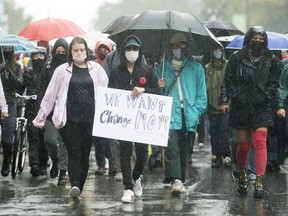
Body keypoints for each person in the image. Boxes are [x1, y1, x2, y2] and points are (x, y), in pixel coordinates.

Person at [33, 36, 108, 201]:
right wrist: (41, 117)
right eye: (75, 50)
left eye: (82, 50)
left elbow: (106, 93)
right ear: (70, 52)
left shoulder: (97, 70)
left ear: (86, 51)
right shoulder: (62, 70)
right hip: (69, 120)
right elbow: (50, 95)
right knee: (74, 151)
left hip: (90, 120)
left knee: (85, 153)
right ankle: (74, 183)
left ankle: (79, 188)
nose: (79, 53)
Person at [219, 26, 280, 198]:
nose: (258, 42)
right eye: (255, 38)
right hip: (241, 106)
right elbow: (228, 81)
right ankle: (242, 171)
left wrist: (266, 96)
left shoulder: (272, 60)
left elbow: (275, 83)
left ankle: (259, 179)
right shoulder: (237, 58)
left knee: (260, 140)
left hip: (262, 106)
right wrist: (226, 99)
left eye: (261, 39)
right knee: (244, 145)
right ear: (249, 39)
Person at [108, 35, 159, 203]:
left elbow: (156, 93)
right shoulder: (116, 71)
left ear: (140, 51)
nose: (132, 52)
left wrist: (143, 89)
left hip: (141, 120)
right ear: (123, 51)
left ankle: (137, 177)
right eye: (129, 49)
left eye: (135, 49)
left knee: (142, 153)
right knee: (125, 152)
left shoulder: (147, 70)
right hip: (124, 120)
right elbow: (111, 94)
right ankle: (127, 188)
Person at [155, 33, 207, 194]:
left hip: (189, 113)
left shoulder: (196, 68)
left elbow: (202, 94)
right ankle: (175, 179)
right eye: (176, 45)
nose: (180, 48)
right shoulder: (162, 68)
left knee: (185, 148)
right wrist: (159, 85)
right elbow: (156, 95)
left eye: (183, 45)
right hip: (170, 112)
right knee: (171, 146)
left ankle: (180, 178)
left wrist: (197, 111)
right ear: (170, 47)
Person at [40, 38, 69, 184]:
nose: (61, 54)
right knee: (50, 140)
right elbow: (43, 89)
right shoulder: (47, 68)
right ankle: (55, 160)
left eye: (64, 52)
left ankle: (63, 171)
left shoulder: (71, 68)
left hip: (66, 110)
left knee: (64, 142)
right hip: (51, 111)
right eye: (58, 52)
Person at [23, 46, 49, 177]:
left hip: (45, 108)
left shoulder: (48, 71)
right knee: (33, 137)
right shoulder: (28, 71)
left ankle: (44, 163)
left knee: (44, 137)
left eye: (41, 55)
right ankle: (34, 163)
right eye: (36, 55)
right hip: (32, 108)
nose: (38, 58)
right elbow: (21, 85)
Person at [93, 39, 118, 176]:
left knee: (110, 136)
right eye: (101, 49)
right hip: (96, 103)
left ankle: (113, 162)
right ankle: (101, 164)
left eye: (106, 49)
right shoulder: (92, 65)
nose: (103, 51)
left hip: (109, 103)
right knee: (98, 138)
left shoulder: (112, 63)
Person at [205, 46, 231, 168]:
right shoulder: (207, 68)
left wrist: (227, 102)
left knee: (224, 130)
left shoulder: (228, 66)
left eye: (219, 50)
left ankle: (226, 154)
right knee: (214, 131)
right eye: (215, 50)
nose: (217, 53)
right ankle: (216, 154)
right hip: (211, 105)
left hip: (226, 105)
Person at [0, 46, 25, 177]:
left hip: (10, 103)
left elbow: (20, 84)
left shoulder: (17, 67)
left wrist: (8, 71)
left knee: (8, 138)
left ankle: (6, 162)